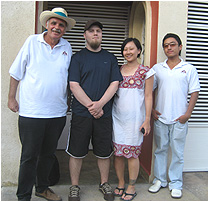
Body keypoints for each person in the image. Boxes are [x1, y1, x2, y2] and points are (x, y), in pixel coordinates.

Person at [7, 7, 76, 201]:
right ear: (47, 24)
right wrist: (11, 98)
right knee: (29, 156)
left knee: (48, 154)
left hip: (57, 113)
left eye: (61, 25)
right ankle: (23, 195)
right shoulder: (32, 42)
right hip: (31, 112)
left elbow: (67, 78)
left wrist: (68, 101)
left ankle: (42, 188)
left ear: (65, 29)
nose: (57, 27)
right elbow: (15, 72)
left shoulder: (67, 47)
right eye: (54, 23)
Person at [66, 19, 123, 201]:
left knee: (103, 152)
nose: (95, 33)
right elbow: (74, 85)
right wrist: (92, 106)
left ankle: (104, 183)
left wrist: (100, 105)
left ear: (101, 35)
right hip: (81, 114)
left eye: (98, 30)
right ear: (85, 35)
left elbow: (115, 83)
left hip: (104, 115)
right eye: (91, 31)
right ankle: (74, 186)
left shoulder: (110, 58)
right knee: (76, 152)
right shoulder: (77, 58)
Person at [148, 33, 200, 199]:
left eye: (172, 44)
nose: (169, 48)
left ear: (180, 47)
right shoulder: (157, 68)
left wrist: (187, 114)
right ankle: (159, 180)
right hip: (161, 117)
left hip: (180, 119)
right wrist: (152, 111)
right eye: (166, 45)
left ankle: (176, 183)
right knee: (160, 150)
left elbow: (194, 92)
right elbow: (149, 91)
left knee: (177, 153)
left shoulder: (189, 68)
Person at [112, 38, 155, 201]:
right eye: (125, 49)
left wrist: (147, 119)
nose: (128, 52)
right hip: (117, 118)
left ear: (139, 51)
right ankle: (121, 183)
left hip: (136, 120)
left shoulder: (146, 71)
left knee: (132, 154)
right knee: (118, 154)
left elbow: (148, 96)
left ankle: (131, 185)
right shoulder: (117, 69)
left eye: (131, 49)